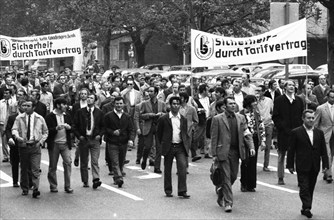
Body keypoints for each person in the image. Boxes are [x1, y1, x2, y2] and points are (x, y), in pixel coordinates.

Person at [211, 97, 255, 212]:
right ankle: (228, 202)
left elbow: (247, 133)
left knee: (233, 176)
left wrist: (251, 147)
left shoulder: (241, 118)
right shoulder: (217, 119)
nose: (233, 105)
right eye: (230, 103)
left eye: (234, 103)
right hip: (223, 151)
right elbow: (214, 137)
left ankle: (221, 192)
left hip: (236, 151)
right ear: (225, 106)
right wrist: (214, 153)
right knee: (226, 176)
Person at [287, 109, 329, 218]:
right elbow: (291, 150)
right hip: (302, 164)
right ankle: (307, 206)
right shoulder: (296, 132)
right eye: (308, 118)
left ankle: (305, 207)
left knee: (310, 187)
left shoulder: (319, 133)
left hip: (314, 165)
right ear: (303, 119)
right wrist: (290, 165)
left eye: (312, 118)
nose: (311, 120)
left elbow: (323, 150)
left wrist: (325, 165)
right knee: (304, 186)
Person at [12, 98, 48, 198]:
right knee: (24, 168)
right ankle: (25, 188)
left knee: (35, 169)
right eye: (25, 106)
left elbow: (45, 132)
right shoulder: (19, 118)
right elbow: (14, 129)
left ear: (34, 107)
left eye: (28, 106)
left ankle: (36, 189)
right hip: (24, 146)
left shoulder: (39, 118)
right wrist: (16, 136)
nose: (26, 108)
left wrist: (41, 142)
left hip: (35, 146)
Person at [156, 96, 190, 198]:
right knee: (168, 169)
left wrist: (186, 144)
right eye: (174, 104)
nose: (176, 106)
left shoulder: (183, 119)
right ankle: (168, 190)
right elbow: (159, 133)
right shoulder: (163, 118)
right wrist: (162, 145)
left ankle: (182, 190)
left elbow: (184, 132)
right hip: (169, 146)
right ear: (170, 105)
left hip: (180, 146)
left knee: (182, 168)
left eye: (177, 104)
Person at [272, 80, 304, 185]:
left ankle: (300, 178)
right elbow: (275, 117)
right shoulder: (279, 100)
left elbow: (302, 116)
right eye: (289, 85)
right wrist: (283, 128)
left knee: (298, 156)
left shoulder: (299, 100)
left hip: (297, 132)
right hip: (284, 132)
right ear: (285, 87)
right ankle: (280, 177)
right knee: (281, 154)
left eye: (293, 85)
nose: (292, 87)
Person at [73, 93, 104, 189]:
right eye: (88, 98)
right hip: (84, 139)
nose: (89, 99)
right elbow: (75, 125)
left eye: (91, 98)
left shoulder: (99, 112)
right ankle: (85, 180)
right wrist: (79, 136)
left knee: (94, 161)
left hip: (94, 139)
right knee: (84, 161)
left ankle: (96, 179)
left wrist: (100, 135)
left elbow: (103, 126)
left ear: (95, 101)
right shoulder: (80, 112)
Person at [104, 96, 135, 188]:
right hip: (112, 142)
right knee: (115, 161)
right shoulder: (108, 116)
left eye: (121, 103)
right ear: (114, 104)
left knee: (121, 161)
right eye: (117, 103)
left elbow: (131, 129)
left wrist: (131, 139)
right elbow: (105, 128)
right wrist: (112, 132)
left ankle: (116, 177)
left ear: (124, 104)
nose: (119, 105)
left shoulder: (127, 116)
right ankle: (119, 178)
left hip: (123, 142)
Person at [45, 98, 73, 193]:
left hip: (65, 143)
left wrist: (69, 128)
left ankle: (68, 186)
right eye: (64, 104)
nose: (66, 106)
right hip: (54, 144)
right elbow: (46, 131)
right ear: (58, 105)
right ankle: (53, 185)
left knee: (68, 163)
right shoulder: (50, 117)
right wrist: (56, 128)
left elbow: (72, 126)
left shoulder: (67, 115)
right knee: (53, 166)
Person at [240, 95, 264, 192]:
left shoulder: (256, 113)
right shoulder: (241, 114)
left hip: (255, 138)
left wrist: (262, 140)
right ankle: (244, 183)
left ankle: (251, 184)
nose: (255, 103)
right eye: (253, 101)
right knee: (245, 161)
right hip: (245, 138)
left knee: (253, 161)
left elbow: (261, 126)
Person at [139, 86, 166, 173]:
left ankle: (157, 167)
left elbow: (166, 114)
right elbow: (141, 115)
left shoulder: (162, 103)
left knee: (159, 148)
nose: (149, 93)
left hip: (158, 126)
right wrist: (150, 115)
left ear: (156, 93)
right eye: (149, 91)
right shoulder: (144, 103)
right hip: (149, 126)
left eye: (151, 91)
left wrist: (161, 114)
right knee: (147, 146)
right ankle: (144, 159)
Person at [313, 89, 334, 184]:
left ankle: (326, 170)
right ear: (327, 97)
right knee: (328, 154)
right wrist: (314, 135)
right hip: (325, 134)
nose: (333, 99)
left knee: (332, 154)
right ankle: (329, 174)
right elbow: (316, 123)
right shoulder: (321, 108)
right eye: (331, 97)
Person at [5, 99, 26, 187]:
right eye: (23, 106)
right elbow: (8, 129)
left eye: (27, 106)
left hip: (26, 143)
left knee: (26, 164)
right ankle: (14, 181)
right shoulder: (12, 117)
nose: (25, 108)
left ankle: (27, 182)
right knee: (15, 163)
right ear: (18, 107)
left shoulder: (31, 117)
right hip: (15, 143)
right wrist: (10, 138)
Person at [256, 85, 274, 171]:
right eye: (256, 91)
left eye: (259, 91)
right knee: (256, 144)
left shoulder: (269, 100)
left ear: (263, 91)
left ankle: (266, 165)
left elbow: (272, 111)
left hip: (268, 124)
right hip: (258, 125)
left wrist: (271, 119)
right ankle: (253, 164)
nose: (258, 93)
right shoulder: (254, 101)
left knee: (268, 145)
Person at [0, 89, 15, 162]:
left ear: (10, 94)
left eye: (7, 93)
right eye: (4, 93)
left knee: (10, 139)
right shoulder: (0, 102)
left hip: (11, 124)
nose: (5, 94)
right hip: (2, 123)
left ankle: (12, 155)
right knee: (3, 140)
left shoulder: (14, 103)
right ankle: (6, 156)